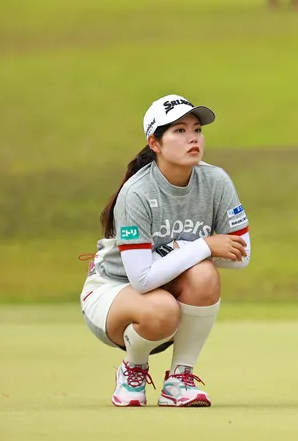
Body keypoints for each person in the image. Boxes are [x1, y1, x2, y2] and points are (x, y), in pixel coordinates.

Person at [79, 94, 251, 407]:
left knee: (204, 274)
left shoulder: (216, 180)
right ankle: (133, 368)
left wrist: (190, 252)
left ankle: (179, 380)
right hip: (112, 289)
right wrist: (202, 245)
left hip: (162, 285)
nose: (193, 138)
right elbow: (142, 279)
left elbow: (242, 255)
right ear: (155, 143)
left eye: (197, 130)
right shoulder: (137, 192)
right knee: (162, 308)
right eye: (179, 131)